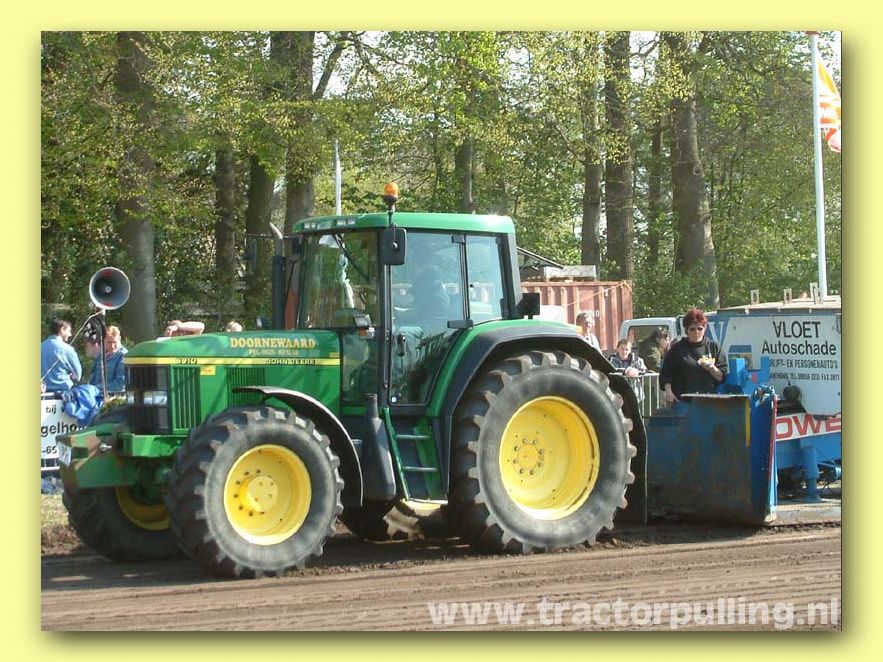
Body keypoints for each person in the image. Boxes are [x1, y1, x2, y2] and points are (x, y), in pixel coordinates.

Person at [659, 308, 726, 404]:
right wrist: (669, 392)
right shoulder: (676, 349)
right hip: (683, 402)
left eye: (700, 328)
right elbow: (666, 375)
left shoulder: (713, 347)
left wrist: (711, 368)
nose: (696, 332)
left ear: (705, 328)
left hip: (708, 401)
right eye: (692, 329)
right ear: (686, 329)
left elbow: (721, 377)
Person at [41, 318, 82, 393]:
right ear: (62, 329)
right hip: (63, 393)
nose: (70, 334)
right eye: (69, 331)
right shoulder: (68, 349)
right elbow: (78, 375)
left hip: (43, 392)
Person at [89, 325, 128, 393]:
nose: (112, 346)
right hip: (97, 394)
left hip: (114, 396)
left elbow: (120, 384)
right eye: (109, 342)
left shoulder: (123, 356)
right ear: (104, 341)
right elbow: (93, 377)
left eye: (115, 342)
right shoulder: (101, 355)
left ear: (119, 339)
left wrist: (96, 388)